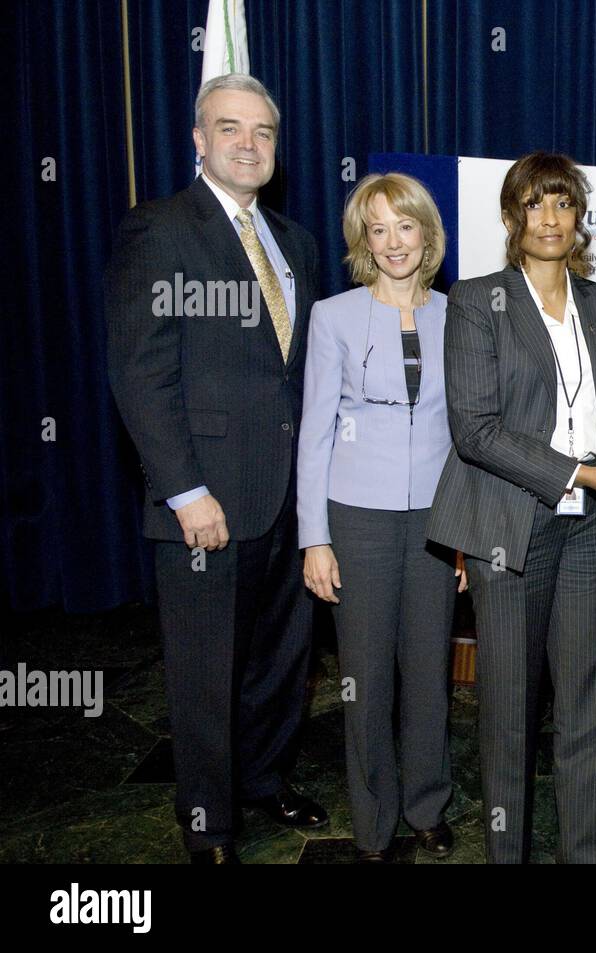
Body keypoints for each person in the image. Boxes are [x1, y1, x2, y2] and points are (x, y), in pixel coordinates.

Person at [106, 74, 326, 863]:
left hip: (286, 501)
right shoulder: (160, 230)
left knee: (279, 661)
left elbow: (292, 375)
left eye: (263, 131)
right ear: (199, 139)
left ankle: (263, 780)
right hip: (205, 501)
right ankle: (209, 819)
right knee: (205, 672)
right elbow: (140, 373)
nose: (248, 143)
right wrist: (185, 491)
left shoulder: (293, 242)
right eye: (229, 128)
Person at [425, 152, 596, 863]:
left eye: (563, 203)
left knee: (589, 709)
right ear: (512, 216)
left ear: (579, 216)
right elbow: (476, 428)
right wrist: (585, 473)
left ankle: (589, 855)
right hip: (511, 526)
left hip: (591, 532)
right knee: (510, 716)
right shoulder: (475, 299)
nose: (549, 219)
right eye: (534, 204)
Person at [297, 172, 466, 863]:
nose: (393, 241)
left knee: (429, 673)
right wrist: (315, 536)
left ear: (426, 233)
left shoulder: (458, 316)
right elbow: (313, 431)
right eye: (378, 227)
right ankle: (373, 820)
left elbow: (466, 435)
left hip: (434, 516)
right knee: (363, 678)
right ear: (363, 239)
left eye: (405, 225)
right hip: (356, 517)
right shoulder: (333, 316)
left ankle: (428, 804)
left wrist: (461, 537)